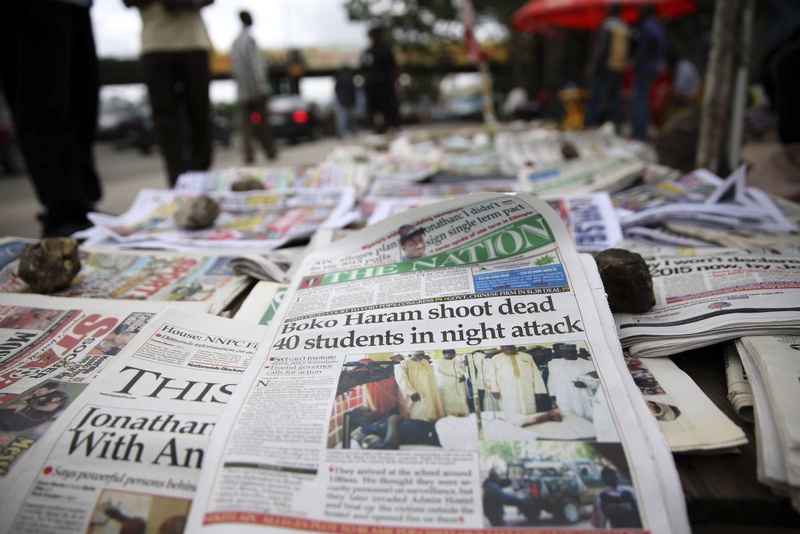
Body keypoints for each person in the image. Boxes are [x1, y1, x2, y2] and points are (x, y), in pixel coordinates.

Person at [0, 0, 104, 237]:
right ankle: (62, 211)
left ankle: (84, 204)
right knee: (43, 97)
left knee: (83, 99)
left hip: (79, 5)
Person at [123, 0, 215, 187]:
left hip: (193, 42)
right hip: (155, 44)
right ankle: (177, 181)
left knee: (200, 113)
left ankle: (201, 177)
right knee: (165, 120)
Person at [231, 9, 277, 164]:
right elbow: (257, 66)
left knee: (245, 127)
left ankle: (248, 155)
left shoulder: (235, 43)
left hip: (242, 92)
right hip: (255, 90)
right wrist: (262, 87)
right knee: (264, 123)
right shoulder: (249, 40)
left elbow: (234, 69)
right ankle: (269, 151)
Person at [584, 3, 629, 129]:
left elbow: (602, 50)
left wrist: (595, 66)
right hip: (619, 67)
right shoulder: (624, 26)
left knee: (597, 97)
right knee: (615, 100)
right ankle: (614, 125)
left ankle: (590, 125)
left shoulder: (607, 25)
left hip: (605, 67)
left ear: (610, 10)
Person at [630, 5, 666, 141]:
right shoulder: (657, 25)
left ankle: (639, 132)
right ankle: (641, 131)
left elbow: (650, 44)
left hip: (644, 67)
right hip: (652, 67)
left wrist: (641, 57)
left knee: (639, 99)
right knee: (642, 98)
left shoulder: (647, 25)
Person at [486, 344, 548, 415]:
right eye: (505, 346)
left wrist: (539, 390)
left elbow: (536, 374)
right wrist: (494, 389)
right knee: (510, 411)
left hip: (527, 389)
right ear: (501, 348)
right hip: (506, 390)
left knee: (529, 410)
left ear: (514, 346)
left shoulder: (527, 357)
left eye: (510, 346)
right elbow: (492, 375)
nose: (508, 348)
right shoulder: (496, 358)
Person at [360, 25, 399, 134]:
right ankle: (375, 130)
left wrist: (395, 83)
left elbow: (394, 68)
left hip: (385, 85)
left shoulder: (386, 50)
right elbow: (363, 68)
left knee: (386, 108)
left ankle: (387, 128)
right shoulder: (367, 52)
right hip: (372, 86)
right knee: (373, 109)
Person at [546, 344, 596, 420]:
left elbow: (596, 382)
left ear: (575, 352)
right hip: (562, 397)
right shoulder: (555, 364)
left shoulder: (588, 364)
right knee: (567, 418)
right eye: (563, 352)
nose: (566, 355)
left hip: (580, 396)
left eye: (569, 352)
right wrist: (552, 397)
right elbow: (551, 381)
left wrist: (585, 384)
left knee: (583, 417)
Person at [394, 350, 445, 422]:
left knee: (431, 410)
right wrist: (411, 392)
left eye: (422, 355)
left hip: (428, 389)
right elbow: (401, 379)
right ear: (410, 355)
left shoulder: (424, 361)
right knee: (418, 412)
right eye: (418, 355)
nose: (420, 357)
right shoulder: (404, 364)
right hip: (415, 391)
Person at [350, 409, 440, 450]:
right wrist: (392, 422)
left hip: (435, 428)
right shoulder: (367, 432)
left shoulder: (380, 423)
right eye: (369, 411)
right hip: (433, 436)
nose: (374, 410)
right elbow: (387, 448)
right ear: (362, 419)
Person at [0, 388, 69, 432]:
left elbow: (48, 408)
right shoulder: (35, 397)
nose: (36, 392)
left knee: (22, 405)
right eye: (35, 390)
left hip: (37, 417)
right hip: (8, 421)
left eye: (39, 390)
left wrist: (28, 404)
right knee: (21, 403)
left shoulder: (59, 394)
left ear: (51, 389)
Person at [432, 349, 469, 417]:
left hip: (459, 386)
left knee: (461, 402)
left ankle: (463, 418)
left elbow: (463, 371)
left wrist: (464, 376)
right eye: (449, 354)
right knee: (448, 404)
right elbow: (442, 370)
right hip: (446, 387)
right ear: (444, 354)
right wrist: (459, 375)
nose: (452, 355)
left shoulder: (456, 361)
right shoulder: (437, 362)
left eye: (453, 354)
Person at [334, 66, 358, 138]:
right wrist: (354, 101)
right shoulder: (350, 78)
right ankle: (353, 132)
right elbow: (353, 91)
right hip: (349, 101)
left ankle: (341, 133)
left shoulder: (339, 78)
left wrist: (339, 98)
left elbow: (336, 90)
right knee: (351, 118)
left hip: (341, 100)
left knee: (342, 118)